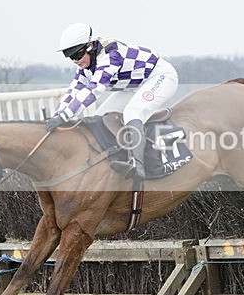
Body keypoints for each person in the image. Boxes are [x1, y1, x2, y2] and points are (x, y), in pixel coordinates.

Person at [47, 23, 179, 181]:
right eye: (69, 57)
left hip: (160, 77)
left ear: (90, 46)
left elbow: (94, 89)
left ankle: (138, 165)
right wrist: (56, 116)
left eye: (76, 55)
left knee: (133, 112)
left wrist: (65, 116)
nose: (75, 61)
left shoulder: (111, 54)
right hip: (134, 86)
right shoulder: (85, 65)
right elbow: (73, 92)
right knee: (98, 117)